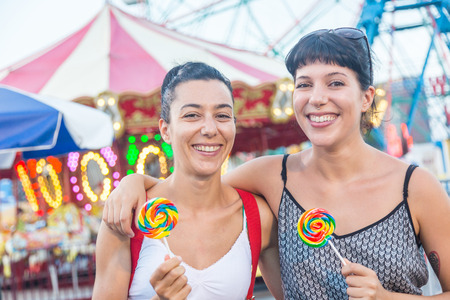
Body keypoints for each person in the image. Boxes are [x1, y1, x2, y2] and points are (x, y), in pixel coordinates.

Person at [103, 28, 450, 299]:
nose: (317, 98)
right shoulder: (272, 177)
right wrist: (133, 183)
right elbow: (199, 188)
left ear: (366, 97)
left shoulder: (415, 187)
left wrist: (386, 298)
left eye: (336, 83)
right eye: (304, 85)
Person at [93, 62, 283, 300]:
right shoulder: (126, 218)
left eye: (222, 115)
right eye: (192, 115)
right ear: (165, 130)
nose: (210, 129)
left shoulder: (260, 218)